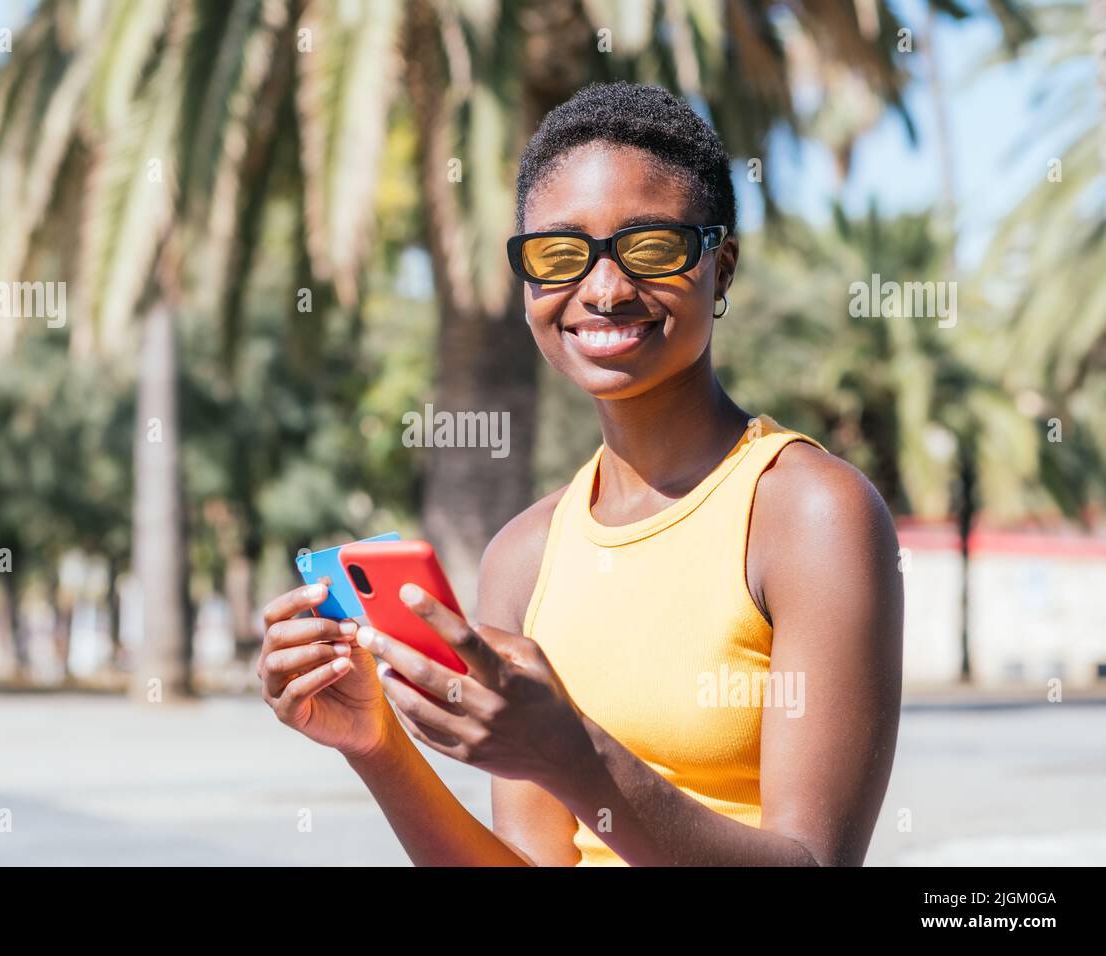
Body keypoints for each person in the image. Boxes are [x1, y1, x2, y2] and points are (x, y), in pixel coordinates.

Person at [258, 82, 903, 866]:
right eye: (561, 254)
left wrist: (572, 756)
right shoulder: (524, 554)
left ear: (720, 268)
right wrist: (375, 744)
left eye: (652, 245)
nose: (603, 289)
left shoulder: (808, 511)